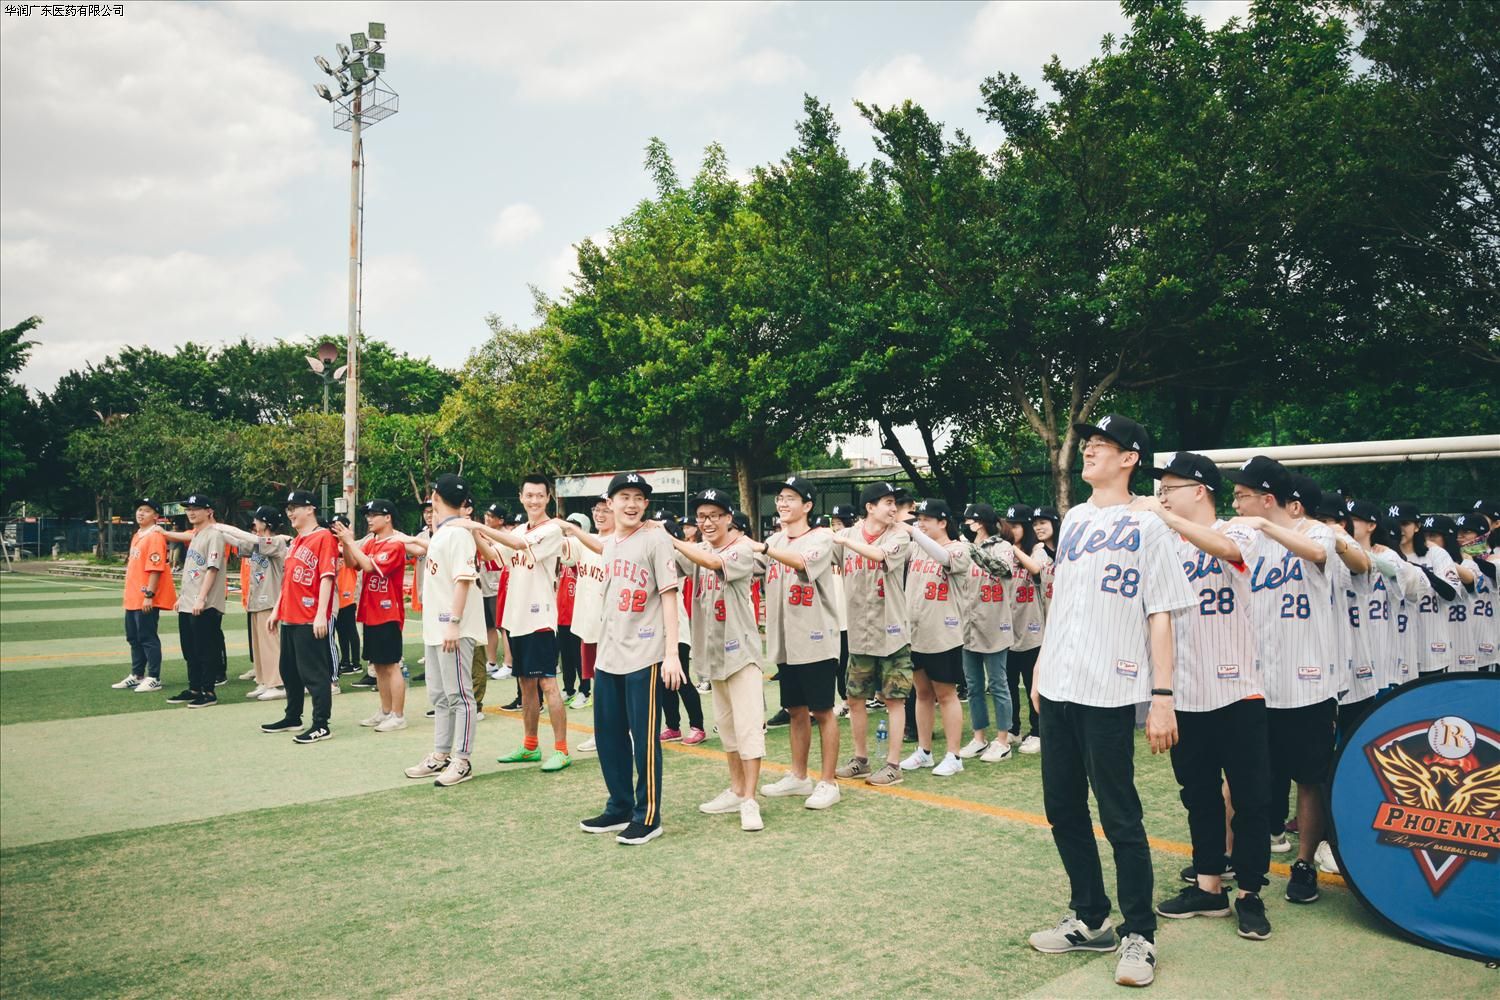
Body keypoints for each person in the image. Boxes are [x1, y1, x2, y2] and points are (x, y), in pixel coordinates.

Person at [1026, 414, 1195, 989]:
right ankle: (1091, 917)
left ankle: (1139, 933)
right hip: (1059, 685)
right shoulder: (1074, 518)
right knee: (1063, 808)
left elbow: (1161, 613)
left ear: (1130, 458)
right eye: (1089, 443)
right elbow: (1064, 599)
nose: (1090, 450)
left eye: (1103, 444)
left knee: (1119, 814)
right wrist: (1042, 663)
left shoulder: (1150, 524)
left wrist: (1163, 697)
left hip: (1110, 689)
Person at [1132, 453, 1273, 942]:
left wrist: (1163, 516)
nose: (1162, 495)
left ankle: (1250, 892)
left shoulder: (1239, 529)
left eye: (1170, 487)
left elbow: (1225, 548)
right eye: (1160, 490)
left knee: (1251, 798)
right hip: (1185, 692)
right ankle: (1209, 886)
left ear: (1199, 490)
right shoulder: (1163, 543)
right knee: (1198, 796)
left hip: (1238, 690)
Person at [1227, 460, 1368, 905]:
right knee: (1247, 778)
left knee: (1309, 779)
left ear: (1268, 498)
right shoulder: (1248, 538)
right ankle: (1234, 858)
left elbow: (1320, 554)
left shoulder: (1315, 530)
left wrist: (1264, 526)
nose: (1236, 504)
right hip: (1257, 682)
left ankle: (1304, 863)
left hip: (1308, 682)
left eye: (1242, 496)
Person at [578, 472, 684, 845]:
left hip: (645, 654)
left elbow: (669, 596)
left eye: (639, 497)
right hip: (609, 654)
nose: (632, 503)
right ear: (610, 503)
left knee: (644, 739)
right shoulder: (609, 544)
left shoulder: (656, 539)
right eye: (624, 496)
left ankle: (648, 816)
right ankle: (619, 806)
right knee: (609, 737)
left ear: (646, 504)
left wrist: (671, 653)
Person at [658, 488, 770, 829]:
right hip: (714, 655)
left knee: (749, 729)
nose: (706, 523)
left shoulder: (741, 549)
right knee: (728, 729)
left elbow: (712, 562)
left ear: (728, 518)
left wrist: (671, 539)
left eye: (713, 516)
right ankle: (736, 790)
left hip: (741, 654)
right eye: (701, 517)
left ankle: (750, 799)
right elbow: (672, 563)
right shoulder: (700, 550)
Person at [469, 476, 573, 772]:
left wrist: (477, 526)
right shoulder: (517, 529)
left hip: (540, 619)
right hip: (517, 620)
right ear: (521, 497)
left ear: (548, 498)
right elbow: (494, 556)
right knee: (526, 684)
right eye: (529, 495)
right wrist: (473, 532)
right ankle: (530, 745)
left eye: (540, 495)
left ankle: (562, 750)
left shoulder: (552, 529)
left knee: (548, 684)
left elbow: (517, 544)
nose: (534, 500)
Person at [753, 477, 842, 811]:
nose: (782, 503)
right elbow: (745, 565)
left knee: (823, 711)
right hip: (786, 642)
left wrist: (763, 549)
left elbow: (803, 563)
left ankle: (829, 782)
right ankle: (799, 775)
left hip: (815, 639)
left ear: (807, 506)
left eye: (791, 498)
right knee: (795, 710)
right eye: (780, 497)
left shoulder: (821, 537)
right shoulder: (774, 539)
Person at [401, 477, 486, 785]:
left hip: (453, 629)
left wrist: (454, 622)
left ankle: (462, 760)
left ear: (436, 497)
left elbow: (463, 580)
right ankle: (441, 755)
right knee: (439, 695)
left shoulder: (458, 534)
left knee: (460, 695)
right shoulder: (443, 533)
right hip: (436, 629)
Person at [831, 481, 913, 787]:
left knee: (894, 700)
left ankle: (893, 765)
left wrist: (843, 540)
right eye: (887, 502)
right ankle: (861, 760)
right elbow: (821, 559)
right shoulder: (848, 536)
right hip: (859, 633)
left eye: (895, 503)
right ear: (869, 507)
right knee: (854, 698)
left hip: (892, 633)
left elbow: (879, 556)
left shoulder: (898, 535)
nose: (894, 509)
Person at [259, 490, 339, 743]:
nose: (290, 513)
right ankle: (293, 716)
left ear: (310, 509)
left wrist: (321, 614)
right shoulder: (295, 541)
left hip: (309, 618)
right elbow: (287, 581)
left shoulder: (324, 537)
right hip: (290, 617)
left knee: (314, 674)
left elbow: (327, 577)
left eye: (295, 507)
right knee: (289, 671)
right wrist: (277, 610)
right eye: (288, 508)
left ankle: (321, 724)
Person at [900, 498, 972, 777]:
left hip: (943, 634)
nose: (920, 524)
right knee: (922, 693)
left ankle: (954, 755)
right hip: (915, 633)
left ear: (943, 522)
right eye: (918, 519)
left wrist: (913, 532)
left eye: (926, 519)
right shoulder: (917, 547)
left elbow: (943, 558)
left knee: (946, 695)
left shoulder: (959, 548)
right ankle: (924, 751)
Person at [334, 499, 416, 732]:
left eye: (374, 514)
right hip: (371, 611)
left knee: (391, 665)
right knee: (377, 665)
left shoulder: (395, 544)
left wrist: (351, 542)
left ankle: (398, 715)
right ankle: (385, 710)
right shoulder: (371, 542)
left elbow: (370, 566)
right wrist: (346, 544)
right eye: (368, 515)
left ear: (388, 517)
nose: (369, 519)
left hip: (388, 612)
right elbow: (353, 563)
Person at [946, 502, 1016, 763]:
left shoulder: (1003, 546)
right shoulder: (963, 546)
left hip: (994, 624)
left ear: (980, 522)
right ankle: (979, 738)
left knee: (998, 684)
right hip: (968, 626)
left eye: (969, 520)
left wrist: (971, 549)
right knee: (973, 686)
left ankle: (1003, 740)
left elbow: (1001, 568)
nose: (965, 524)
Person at [214, 506, 289, 701]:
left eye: (257, 520)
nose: (254, 523)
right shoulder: (258, 543)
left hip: (270, 599)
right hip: (256, 599)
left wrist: (220, 526)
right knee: (259, 646)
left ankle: (277, 683)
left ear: (266, 523)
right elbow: (238, 542)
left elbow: (249, 538)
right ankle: (263, 680)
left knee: (270, 644)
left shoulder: (277, 541)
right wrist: (217, 531)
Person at [161, 493, 228, 709]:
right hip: (188, 602)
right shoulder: (196, 534)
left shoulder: (214, 534)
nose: (191, 512)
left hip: (205, 604)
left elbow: (212, 569)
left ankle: (208, 691)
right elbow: (193, 570)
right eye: (188, 509)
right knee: (189, 649)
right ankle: (194, 688)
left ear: (209, 511)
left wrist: (201, 598)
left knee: (205, 649)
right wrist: (183, 596)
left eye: (196, 508)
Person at [563, 493, 612, 753]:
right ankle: (601, 733)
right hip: (588, 625)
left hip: (613, 628)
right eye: (597, 509)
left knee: (615, 685)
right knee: (597, 685)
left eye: (606, 510)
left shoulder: (620, 542)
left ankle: (626, 732)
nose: (600, 514)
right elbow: (565, 551)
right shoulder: (585, 541)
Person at [113, 497, 177, 693]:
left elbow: (155, 567)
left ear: (156, 516)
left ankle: (154, 677)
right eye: (139, 509)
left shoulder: (155, 536)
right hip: (132, 596)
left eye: (146, 510)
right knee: (133, 637)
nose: (141, 513)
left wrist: (149, 594)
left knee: (147, 637)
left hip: (144, 596)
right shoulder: (138, 535)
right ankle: (137, 674)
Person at [1006, 504, 1049, 753]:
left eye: (1016, 526)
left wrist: (1011, 548)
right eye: (1009, 526)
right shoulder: (1005, 551)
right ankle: (1013, 728)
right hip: (1007, 629)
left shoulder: (1038, 550)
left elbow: (1035, 569)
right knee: (1009, 684)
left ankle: (1038, 731)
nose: (1011, 530)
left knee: (1033, 684)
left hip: (1032, 629)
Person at [331, 515, 361, 675]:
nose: (335, 529)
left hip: (348, 593)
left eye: (339, 526)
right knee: (341, 631)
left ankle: (356, 662)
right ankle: (345, 661)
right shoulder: (334, 544)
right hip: (337, 595)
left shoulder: (349, 545)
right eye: (334, 526)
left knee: (350, 630)